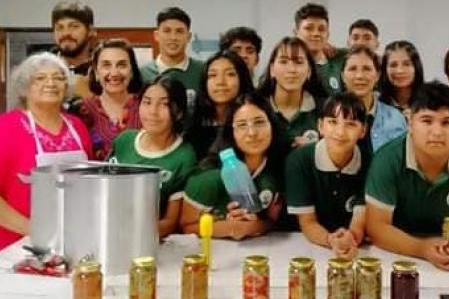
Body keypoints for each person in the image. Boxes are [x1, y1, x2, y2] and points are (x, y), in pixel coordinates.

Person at [0, 53, 92, 254]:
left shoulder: (77, 126)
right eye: (39, 78)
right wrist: (31, 229)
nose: (51, 83)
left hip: (75, 239)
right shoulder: (5, 127)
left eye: (58, 78)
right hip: (19, 243)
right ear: (24, 87)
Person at [365, 81, 449, 271]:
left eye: (447, 122)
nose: (437, 132)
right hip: (401, 255)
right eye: (427, 121)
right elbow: (377, 227)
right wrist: (422, 249)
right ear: (409, 121)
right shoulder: (387, 159)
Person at [180, 93, 287, 239]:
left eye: (259, 122)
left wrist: (255, 225)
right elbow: (186, 227)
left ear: (272, 126)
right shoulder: (210, 177)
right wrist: (229, 227)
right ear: (231, 132)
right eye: (242, 125)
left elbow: (273, 222)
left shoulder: (280, 167)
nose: (252, 133)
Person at [110, 76, 197, 238]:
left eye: (164, 104)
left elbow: (170, 223)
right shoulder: (124, 140)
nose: (153, 111)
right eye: (147, 102)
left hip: (149, 241)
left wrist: (129, 234)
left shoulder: (184, 156)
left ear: (179, 112)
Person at [286, 93, 369, 258]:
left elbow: (361, 218)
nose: (340, 132)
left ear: (363, 131)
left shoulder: (370, 162)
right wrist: (331, 240)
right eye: (332, 122)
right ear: (320, 125)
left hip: (355, 245)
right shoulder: (299, 160)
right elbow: (308, 222)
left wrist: (349, 239)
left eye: (351, 124)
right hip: (306, 246)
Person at [70, 38, 142, 160]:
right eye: (106, 65)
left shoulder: (146, 106)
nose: (114, 73)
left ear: (132, 71)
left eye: (122, 65)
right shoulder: (80, 110)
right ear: (96, 72)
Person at [257, 37, 327, 147]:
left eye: (299, 62)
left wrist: (316, 149)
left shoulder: (326, 109)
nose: (291, 69)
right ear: (272, 70)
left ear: (309, 71)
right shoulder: (255, 108)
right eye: (283, 61)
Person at [187, 51, 255, 157]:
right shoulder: (193, 124)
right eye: (213, 75)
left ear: (242, 79)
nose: (220, 82)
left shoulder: (255, 122)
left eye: (230, 74)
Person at [341, 46, 407, 153]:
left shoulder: (396, 118)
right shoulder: (329, 116)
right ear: (343, 76)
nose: (359, 76)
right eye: (352, 69)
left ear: (377, 76)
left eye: (367, 69)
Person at [139, 7, 204, 99]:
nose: (173, 37)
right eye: (167, 31)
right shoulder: (142, 73)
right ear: (156, 36)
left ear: (188, 37)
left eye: (179, 31)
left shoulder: (203, 70)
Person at [294, 2, 344, 94]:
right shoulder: (284, 63)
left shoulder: (341, 59)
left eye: (321, 29)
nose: (316, 33)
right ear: (296, 32)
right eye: (309, 28)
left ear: (328, 34)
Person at [51, 1, 97, 101]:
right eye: (60, 27)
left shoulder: (104, 69)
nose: (66, 33)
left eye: (74, 26)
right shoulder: (41, 69)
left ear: (91, 31)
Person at [378, 40, 425, 112]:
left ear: (416, 67)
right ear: (384, 69)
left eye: (406, 64)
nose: (400, 71)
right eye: (393, 65)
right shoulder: (376, 104)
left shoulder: (430, 100)